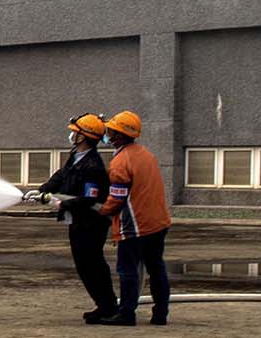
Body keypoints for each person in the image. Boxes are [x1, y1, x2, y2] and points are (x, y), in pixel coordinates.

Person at [28, 113, 117, 322]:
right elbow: (62, 176)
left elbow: (88, 199)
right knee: (84, 265)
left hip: (91, 223)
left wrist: (59, 202)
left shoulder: (93, 166)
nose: (71, 135)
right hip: (78, 221)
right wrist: (41, 190)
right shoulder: (76, 157)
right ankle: (104, 305)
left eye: (74, 133)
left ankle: (108, 306)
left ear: (83, 137)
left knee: (92, 265)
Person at [94, 110, 171, 326]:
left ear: (119, 135)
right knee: (156, 269)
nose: (106, 134)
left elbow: (117, 199)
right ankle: (160, 314)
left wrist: (101, 210)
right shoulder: (146, 154)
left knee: (127, 270)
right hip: (158, 222)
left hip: (135, 225)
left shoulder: (120, 162)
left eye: (110, 131)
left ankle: (126, 314)